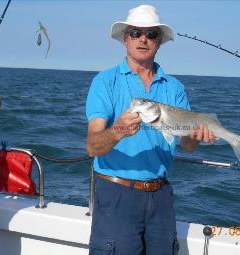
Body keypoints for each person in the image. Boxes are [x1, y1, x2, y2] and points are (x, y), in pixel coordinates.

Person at [86, 5, 214, 255]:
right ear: (125, 39)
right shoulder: (105, 81)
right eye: (136, 32)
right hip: (117, 194)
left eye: (151, 34)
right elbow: (92, 146)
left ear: (159, 42)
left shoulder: (174, 87)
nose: (143, 39)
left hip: (161, 196)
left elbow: (187, 144)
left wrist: (197, 136)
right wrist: (118, 131)